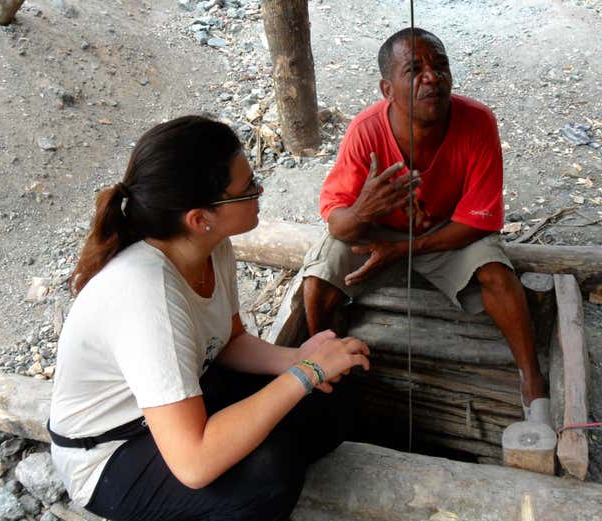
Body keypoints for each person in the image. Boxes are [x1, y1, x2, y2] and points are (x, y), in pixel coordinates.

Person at [48, 115, 370, 521]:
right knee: (268, 476)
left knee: (334, 393)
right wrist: (304, 373)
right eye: (248, 188)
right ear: (200, 219)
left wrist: (297, 359)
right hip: (112, 451)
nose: (259, 191)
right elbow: (194, 463)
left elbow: (229, 341)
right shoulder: (146, 294)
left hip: (187, 397)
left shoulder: (211, 247)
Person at [302, 28, 548, 415]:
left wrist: (404, 249)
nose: (432, 77)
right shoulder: (365, 131)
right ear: (387, 89)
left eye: (440, 65)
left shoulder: (478, 122)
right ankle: (321, 365)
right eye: (414, 69)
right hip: (377, 234)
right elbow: (338, 226)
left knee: (498, 276)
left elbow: (480, 224)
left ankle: (532, 381)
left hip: (446, 234)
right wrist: (364, 210)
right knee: (318, 277)